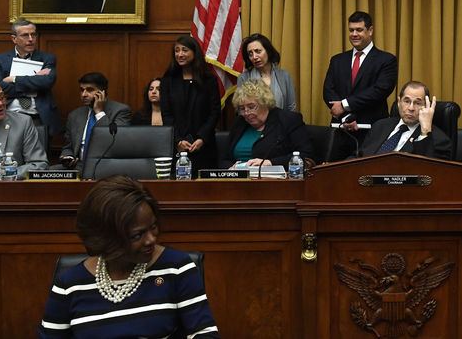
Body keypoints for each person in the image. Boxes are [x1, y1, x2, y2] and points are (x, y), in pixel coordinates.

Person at [38, 175, 220, 338]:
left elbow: (205, 334)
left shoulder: (176, 267)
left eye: (153, 227)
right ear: (107, 238)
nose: (151, 239)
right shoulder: (69, 285)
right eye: (137, 235)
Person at [322, 11, 398, 159]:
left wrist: (344, 105)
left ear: (370, 31)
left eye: (359, 30)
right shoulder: (337, 60)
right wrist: (347, 117)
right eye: (351, 30)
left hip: (372, 131)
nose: (354, 34)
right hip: (341, 130)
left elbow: (380, 91)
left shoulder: (386, 60)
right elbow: (328, 90)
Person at [160, 35, 220, 173]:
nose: (180, 54)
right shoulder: (169, 80)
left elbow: (214, 112)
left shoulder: (209, 80)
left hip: (205, 145)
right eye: (177, 50)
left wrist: (202, 138)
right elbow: (166, 114)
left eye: (184, 50)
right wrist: (178, 141)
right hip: (178, 147)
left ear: (194, 52)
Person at [0, 18, 64, 137]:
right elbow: (0, 88)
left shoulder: (47, 58)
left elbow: (47, 82)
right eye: (25, 35)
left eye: (33, 34)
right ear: (14, 39)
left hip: (39, 117)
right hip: (10, 115)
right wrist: (34, 82)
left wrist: (13, 79)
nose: (30, 39)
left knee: (38, 155)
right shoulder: (0, 60)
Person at [225, 79, 312, 170]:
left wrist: (270, 163)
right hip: (239, 180)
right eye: (242, 108)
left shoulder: (288, 120)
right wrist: (231, 168)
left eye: (251, 107)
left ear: (265, 102)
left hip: (273, 180)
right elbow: (224, 159)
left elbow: (306, 155)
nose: (246, 113)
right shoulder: (239, 122)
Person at [360, 81, 452, 159]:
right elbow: (358, 156)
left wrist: (425, 131)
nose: (411, 108)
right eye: (406, 101)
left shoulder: (439, 140)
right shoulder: (380, 126)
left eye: (417, 103)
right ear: (399, 102)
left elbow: (426, 170)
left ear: (426, 106)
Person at [59, 72, 132, 170]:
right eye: (82, 90)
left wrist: (99, 112)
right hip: (78, 166)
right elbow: (68, 147)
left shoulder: (121, 111)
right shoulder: (74, 115)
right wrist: (68, 157)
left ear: (102, 92)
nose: (83, 94)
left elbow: (116, 140)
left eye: (89, 90)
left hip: (106, 167)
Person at [0, 83, 47, 179]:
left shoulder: (22, 123)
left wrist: (7, 174)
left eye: (1, 97)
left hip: (10, 190)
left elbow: (39, 165)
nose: (0, 103)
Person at [238, 34, 296, 111]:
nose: (254, 57)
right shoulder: (243, 78)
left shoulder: (284, 76)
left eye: (258, 51)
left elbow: (291, 107)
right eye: (250, 54)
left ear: (268, 51)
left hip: (281, 122)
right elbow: (241, 109)